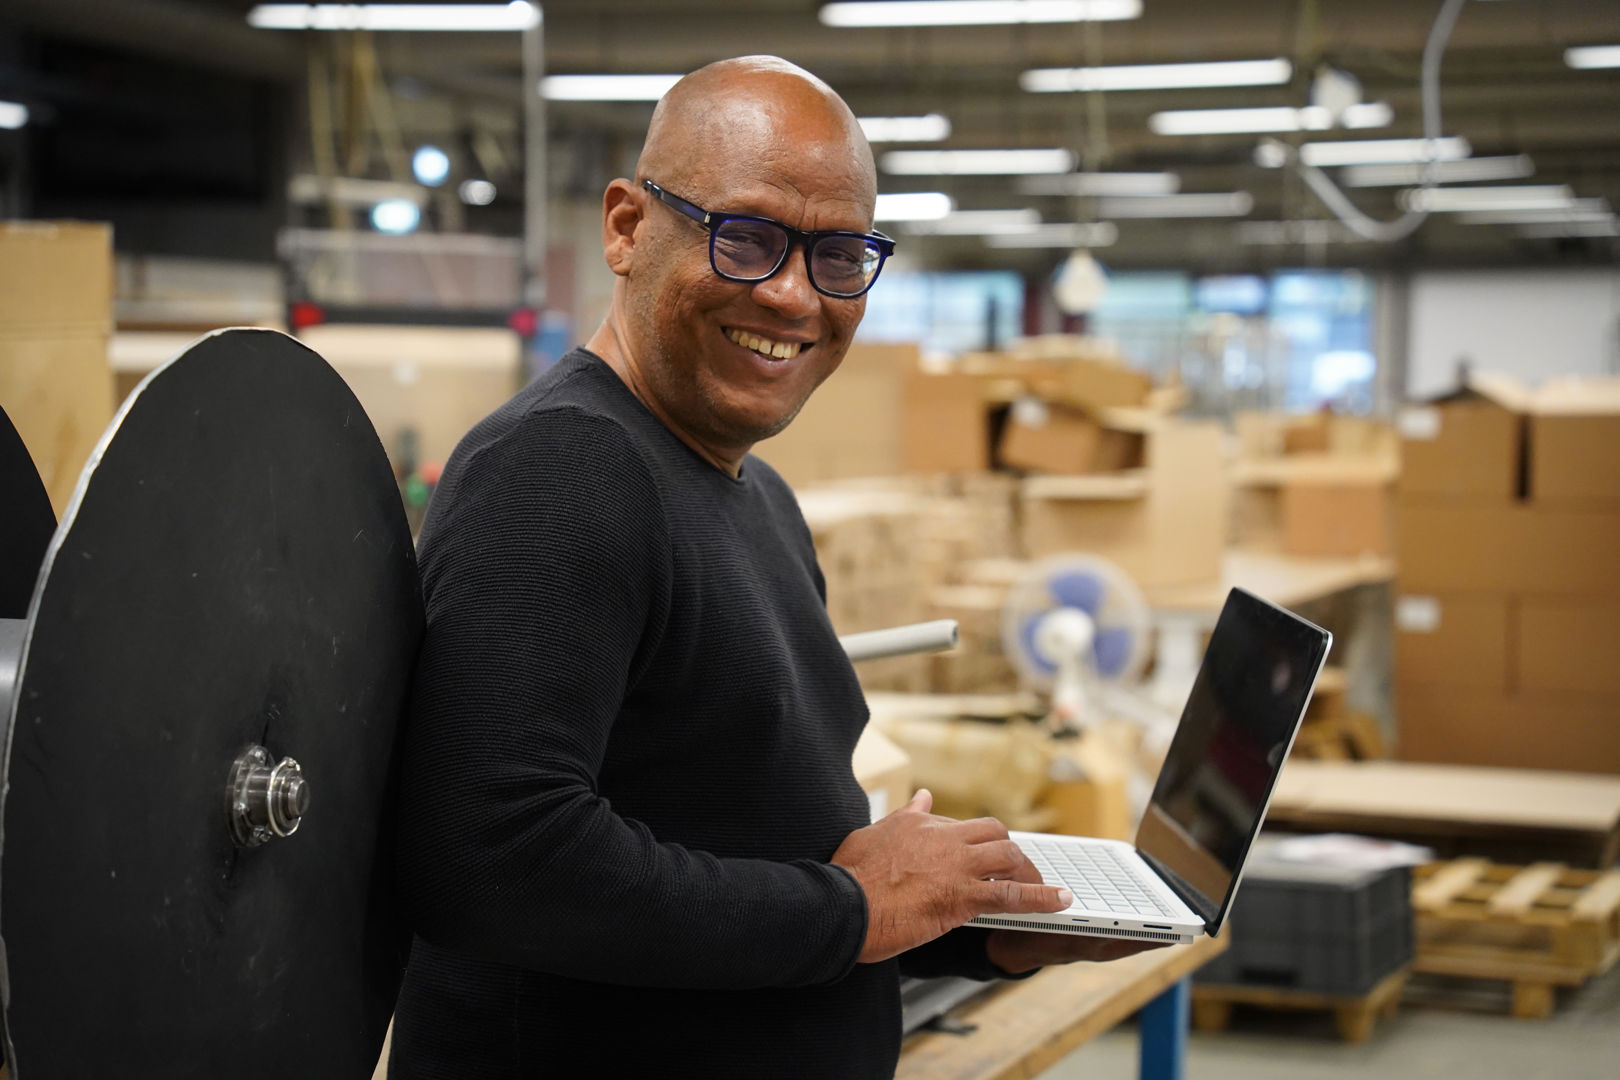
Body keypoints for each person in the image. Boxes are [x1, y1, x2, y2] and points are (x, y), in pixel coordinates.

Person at [390, 55, 1158, 1079]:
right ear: (627, 227)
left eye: (839, 257)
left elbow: (754, 844)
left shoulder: (756, 497)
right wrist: (855, 908)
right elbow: (491, 857)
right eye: (746, 237)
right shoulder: (566, 467)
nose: (795, 295)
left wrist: (967, 923)